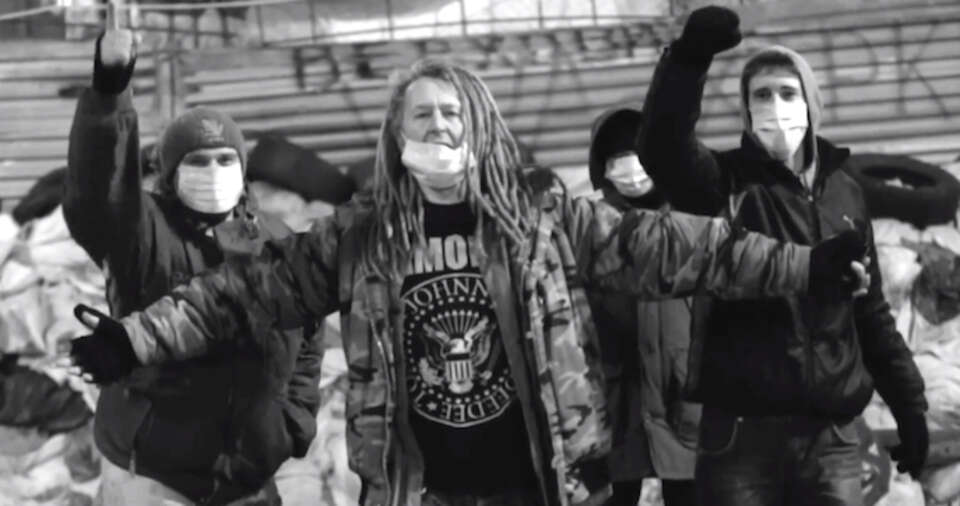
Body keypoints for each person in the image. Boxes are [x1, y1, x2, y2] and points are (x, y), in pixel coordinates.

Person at [69, 58, 867, 506]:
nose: (440, 126)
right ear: (396, 135)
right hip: (423, 492)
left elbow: (678, 248)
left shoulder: (541, 217)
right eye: (421, 115)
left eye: (452, 113)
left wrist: (803, 264)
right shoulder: (360, 237)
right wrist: (133, 338)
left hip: (539, 485)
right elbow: (238, 295)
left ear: (479, 126)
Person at [639, 5, 929, 505]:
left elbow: (870, 312)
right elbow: (662, 150)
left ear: (811, 104)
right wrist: (688, 60)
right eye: (761, 95)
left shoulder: (845, 192)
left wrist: (910, 406)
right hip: (741, 440)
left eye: (788, 93)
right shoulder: (723, 184)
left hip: (832, 440)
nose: (775, 105)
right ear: (746, 110)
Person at [62, 9, 323, 505]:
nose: (213, 170)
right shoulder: (141, 233)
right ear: (170, 174)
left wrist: (292, 422)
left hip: (246, 477)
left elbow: (308, 337)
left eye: (225, 159)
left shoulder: (275, 240)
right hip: (153, 476)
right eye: (198, 161)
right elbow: (96, 192)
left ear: (242, 171)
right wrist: (110, 89)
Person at [587, 107, 698, 506]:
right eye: (617, 157)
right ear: (602, 168)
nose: (630, 166)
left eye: (636, 152)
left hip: (682, 402)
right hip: (615, 407)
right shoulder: (590, 230)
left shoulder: (689, 222)